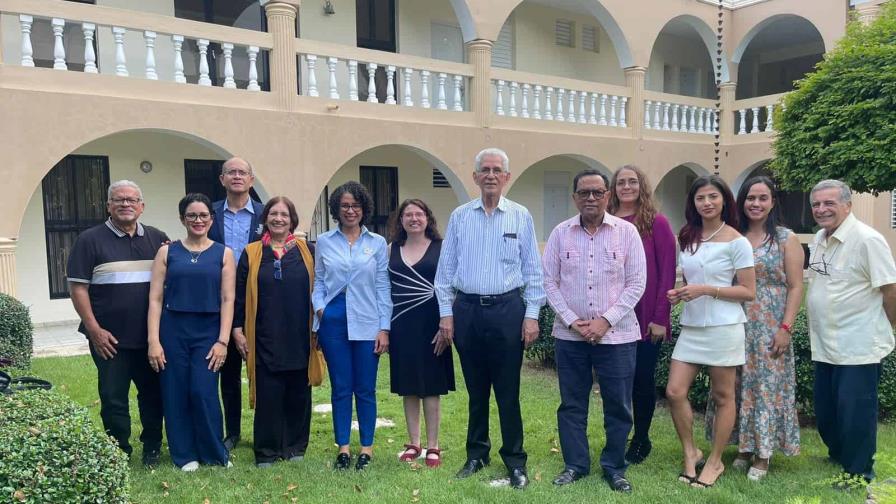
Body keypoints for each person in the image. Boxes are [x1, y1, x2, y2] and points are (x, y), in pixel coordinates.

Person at [434, 147, 545, 489]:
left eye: (498, 170)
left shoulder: (520, 216)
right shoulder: (460, 217)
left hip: (507, 311)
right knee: (477, 390)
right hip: (467, 312)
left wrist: (531, 316)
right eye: (486, 169)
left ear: (507, 177)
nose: (492, 175)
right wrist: (446, 316)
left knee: (508, 393)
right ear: (476, 176)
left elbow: (534, 273)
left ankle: (515, 460)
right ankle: (476, 454)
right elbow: (445, 272)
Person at [542, 169, 646, 493]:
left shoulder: (627, 233)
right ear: (575, 197)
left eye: (597, 192)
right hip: (570, 337)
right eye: (584, 192)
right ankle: (575, 464)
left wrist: (605, 321)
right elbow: (548, 282)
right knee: (572, 404)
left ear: (607, 196)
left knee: (618, 405)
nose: (590, 198)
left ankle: (614, 467)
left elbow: (636, 283)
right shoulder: (560, 233)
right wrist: (573, 320)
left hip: (617, 337)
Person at [706, 176, 803, 481]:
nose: (756, 204)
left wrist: (786, 327)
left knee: (765, 388)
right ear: (741, 201)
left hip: (771, 324)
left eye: (762, 198)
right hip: (735, 321)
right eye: (750, 198)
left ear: (773, 202)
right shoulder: (734, 237)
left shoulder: (786, 239)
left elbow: (796, 286)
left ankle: (762, 455)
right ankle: (743, 449)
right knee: (736, 385)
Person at [67, 180, 167, 467]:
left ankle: (152, 447)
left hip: (150, 339)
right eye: (119, 200)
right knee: (113, 399)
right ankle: (119, 450)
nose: (126, 204)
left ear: (142, 206)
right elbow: (78, 288)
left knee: (153, 396)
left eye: (132, 200)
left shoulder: (158, 239)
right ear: (108, 205)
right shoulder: (89, 240)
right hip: (109, 341)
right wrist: (94, 330)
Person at [665, 175, 755, 489]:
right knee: (675, 391)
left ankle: (715, 461)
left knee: (722, 396)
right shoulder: (687, 236)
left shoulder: (737, 240)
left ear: (723, 200)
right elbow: (685, 277)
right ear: (693, 203)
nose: (706, 203)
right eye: (700, 197)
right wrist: (678, 292)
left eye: (712, 197)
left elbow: (748, 291)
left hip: (724, 327)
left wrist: (705, 290)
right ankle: (691, 452)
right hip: (692, 326)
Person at [806, 179, 896, 484]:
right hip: (825, 344)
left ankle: (859, 470)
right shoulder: (818, 238)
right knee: (827, 410)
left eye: (829, 203)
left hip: (858, 344)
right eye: (816, 204)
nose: (821, 209)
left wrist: (890, 324)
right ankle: (839, 454)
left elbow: (889, 289)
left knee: (856, 412)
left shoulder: (868, 240)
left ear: (848, 204)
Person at [147, 193, 235, 471]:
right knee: (175, 391)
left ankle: (214, 452)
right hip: (173, 330)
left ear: (212, 218)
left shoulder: (224, 253)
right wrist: (153, 341)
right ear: (182, 219)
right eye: (192, 216)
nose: (198, 220)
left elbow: (228, 299)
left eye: (203, 215)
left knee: (203, 390)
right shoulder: (166, 252)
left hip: (208, 332)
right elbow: (155, 299)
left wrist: (223, 340)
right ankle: (184, 455)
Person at [313, 181, 392, 471]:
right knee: (341, 387)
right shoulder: (324, 241)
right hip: (333, 318)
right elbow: (319, 280)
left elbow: (383, 286)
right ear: (336, 208)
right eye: (345, 205)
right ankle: (344, 448)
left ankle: (367, 449)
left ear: (364, 209)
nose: (350, 210)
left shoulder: (377, 243)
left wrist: (384, 327)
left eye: (355, 205)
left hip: (368, 320)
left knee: (365, 388)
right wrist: (320, 309)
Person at [232, 196, 315, 468]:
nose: (279, 218)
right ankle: (266, 451)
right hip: (264, 334)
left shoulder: (307, 251)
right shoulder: (252, 252)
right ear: (265, 218)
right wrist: (237, 330)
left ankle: (295, 446)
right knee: (268, 392)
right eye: (273, 214)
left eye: (284, 214)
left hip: (300, 334)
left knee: (298, 391)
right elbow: (239, 295)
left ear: (292, 220)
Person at [608, 165, 677, 464]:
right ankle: (619, 436)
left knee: (642, 381)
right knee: (616, 382)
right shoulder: (606, 222)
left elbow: (667, 274)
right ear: (613, 188)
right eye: (621, 182)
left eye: (632, 181)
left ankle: (641, 438)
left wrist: (660, 317)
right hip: (613, 317)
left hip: (646, 317)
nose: (626, 187)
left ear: (641, 186)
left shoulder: (656, 223)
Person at [389, 199, 455, 469]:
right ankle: (414, 442)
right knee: (409, 386)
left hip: (434, 323)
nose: (413, 218)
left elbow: (451, 287)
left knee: (431, 387)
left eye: (419, 213)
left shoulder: (442, 248)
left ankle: (433, 445)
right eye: (408, 214)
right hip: (401, 324)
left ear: (428, 218)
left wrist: (446, 321)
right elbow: (384, 287)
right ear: (401, 220)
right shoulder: (390, 248)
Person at [208, 156, 265, 451]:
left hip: (261, 299)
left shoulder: (267, 215)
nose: (237, 176)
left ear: (252, 180)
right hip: (220, 299)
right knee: (227, 371)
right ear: (222, 179)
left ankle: (267, 430)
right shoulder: (210, 213)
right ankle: (231, 432)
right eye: (231, 172)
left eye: (243, 172)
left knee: (265, 368)